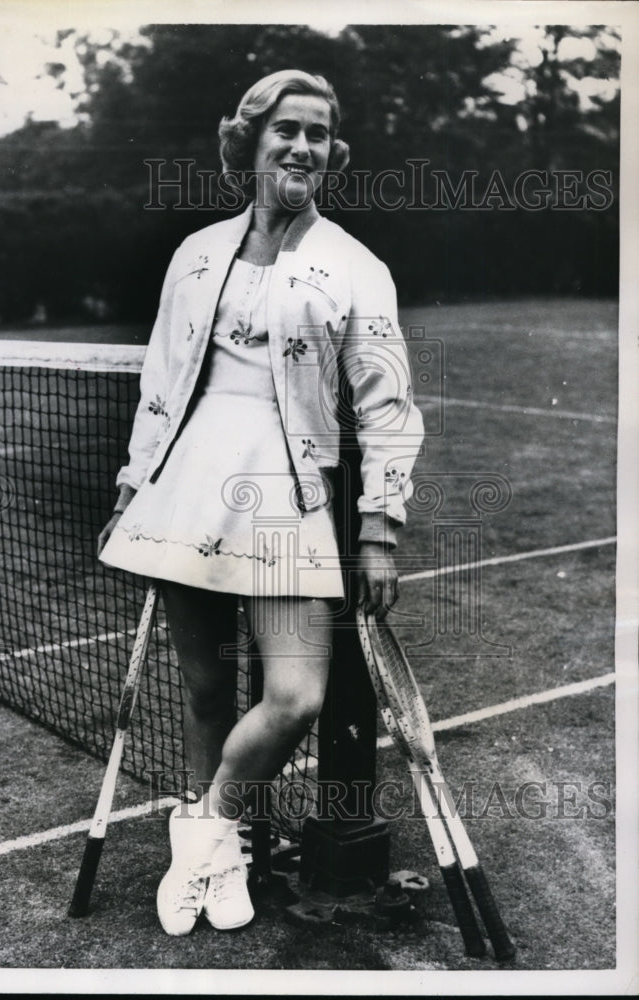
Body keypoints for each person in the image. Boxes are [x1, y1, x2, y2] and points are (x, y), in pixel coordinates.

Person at [98, 69, 424, 936]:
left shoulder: (354, 266)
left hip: (286, 497)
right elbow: (161, 380)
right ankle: (225, 853)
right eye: (287, 130)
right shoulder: (197, 252)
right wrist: (135, 482)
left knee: (294, 698)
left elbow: (387, 404)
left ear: (332, 153)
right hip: (182, 485)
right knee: (206, 691)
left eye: (318, 135)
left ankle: (199, 831)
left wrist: (380, 527)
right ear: (250, 140)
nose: (302, 148)